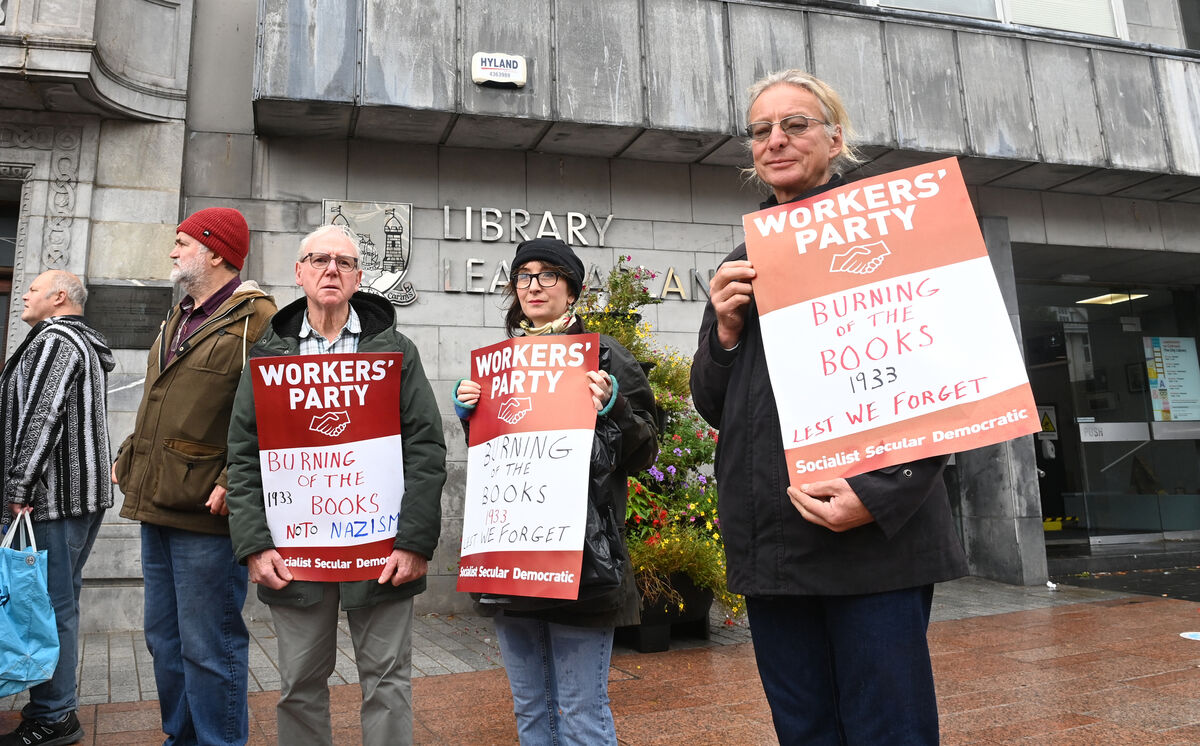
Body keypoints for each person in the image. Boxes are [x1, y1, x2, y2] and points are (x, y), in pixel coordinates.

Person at [690, 69, 968, 745]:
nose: (775, 140)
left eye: (795, 124)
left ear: (836, 137)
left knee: (888, 730)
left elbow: (951, 383)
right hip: (775, 546)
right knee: (805, 731)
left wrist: (879, 494)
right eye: (760, 130)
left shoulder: (894, 231)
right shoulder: (743, 260)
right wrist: (724, 334)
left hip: (872, 541)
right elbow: (714, 405)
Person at [225, 225, 446, 746]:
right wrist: (255, 545)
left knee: (388, 682)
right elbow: (242, 455)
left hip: (381, 551)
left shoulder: (396, 352)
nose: (331, 270)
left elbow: (426, 448)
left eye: (344, 262)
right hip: (296, 552)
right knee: (299, 684)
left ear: (360, 277)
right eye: (319, 259)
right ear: (299, 272)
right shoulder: (267, 354)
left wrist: (414, 542)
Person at [453, 238, 657, 745]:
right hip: (511, 557)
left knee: (581, 712)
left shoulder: (606, 355)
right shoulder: (500, 363)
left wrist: (616, 409)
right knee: (529, 711)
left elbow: (645, 451)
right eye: (524, 276)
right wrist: (471, 417)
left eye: (548, 275)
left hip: (583, 563)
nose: (534, 286)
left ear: (573, 290)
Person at [112, 207, 276, 745]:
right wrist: (131, 450)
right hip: (156, 499)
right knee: (163, 639)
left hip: (209, 511)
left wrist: (236, 475)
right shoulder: (178, 316)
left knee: (211, 647)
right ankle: (179, 739)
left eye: (182, 242)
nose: (173, 252)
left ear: (214, 251)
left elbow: (272, 414)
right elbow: (161, 399)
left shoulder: (257, 320)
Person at [0, 271, 113, 746]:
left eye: (33, 289)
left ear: (59, 298)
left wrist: (18, 486)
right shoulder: (76, 343)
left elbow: (41, 417)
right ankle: (52, 709)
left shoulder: (57, 340)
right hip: (70, 500)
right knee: (54, 603)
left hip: (49, 502)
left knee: (49, 606)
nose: (24, 294)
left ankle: (54, 715)